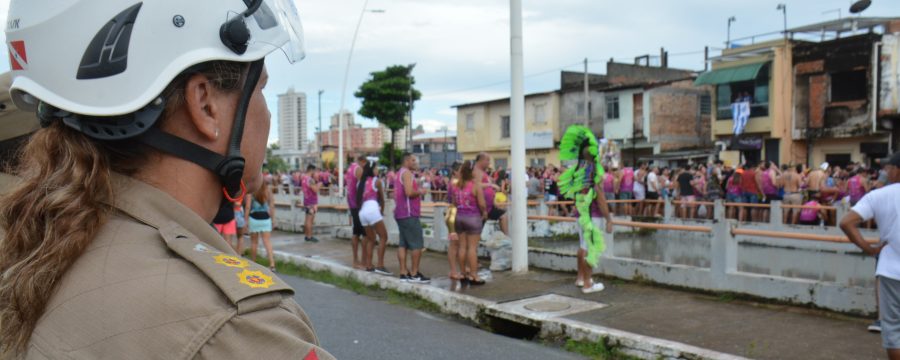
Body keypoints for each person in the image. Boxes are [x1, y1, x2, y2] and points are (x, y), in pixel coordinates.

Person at [0, 0, 333, 357]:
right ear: (205, 105)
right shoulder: (236, 327)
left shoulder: (40, 246)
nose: (265, 113)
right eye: (261, 88)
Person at [841, 152, 900, 358]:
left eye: (888, 168)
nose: (885, 171)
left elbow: (846, 222)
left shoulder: (879, 195)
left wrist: (870, 249)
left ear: (897, 170)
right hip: (891, 271)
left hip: (892, 271)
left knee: (893, 329)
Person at [557, 125, 613, 294]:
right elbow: (600, 196)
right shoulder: (593, 169)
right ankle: (588, 283)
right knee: (590, 248)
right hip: (592, 215)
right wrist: (609, 219)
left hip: (581, 214)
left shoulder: (578, 169)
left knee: (583, 246)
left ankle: (581, 278)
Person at [395, 153, 431, 283]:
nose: (415, 162)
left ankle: (403, 272)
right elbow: (409, 193)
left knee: (403, 244)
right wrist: (420, 192)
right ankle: (415, 273)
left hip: (400, 213)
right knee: (417, 244)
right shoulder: (407, 174)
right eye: (413, 160)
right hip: (409, 213)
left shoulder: (400, 172)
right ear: (407, 161)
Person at [454, 160, 488, 285]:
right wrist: (484, 213)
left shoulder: (457, 185)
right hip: (473, 218)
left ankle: (463, 273)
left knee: (462, 247)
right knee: (472, 248)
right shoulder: (475, 185)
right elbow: (482, 204)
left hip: (459, 218)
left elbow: (454, 202)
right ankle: (474, 275)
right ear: (472, 171)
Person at [356, 161, 392, 275]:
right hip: (372, 210)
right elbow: (381, 199)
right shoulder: (377, 181)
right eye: (376, 168)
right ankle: (380, 265)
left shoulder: (360, 183)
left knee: (371, 239)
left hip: (362, 213)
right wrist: (381, 211)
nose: (377, 170)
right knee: (383, 237)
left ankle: (369, 265)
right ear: (372, 170)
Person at [475, 152, 509, 236]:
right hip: (481, 207)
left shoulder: (483, 172)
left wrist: (493, 202)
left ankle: (506, 238)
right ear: (481, 160)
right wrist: (491, 184)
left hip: (489, 206)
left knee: (503, 215)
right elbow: (475, 185)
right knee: (476, 232)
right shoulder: (476, 171)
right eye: (487, 160)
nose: (489, 163)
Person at [246, 183, 276, 270]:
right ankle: (272, 264)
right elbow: (272, 206)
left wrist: (245, 220)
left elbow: (248, 207)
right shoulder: (268, 191)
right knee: (267, 242)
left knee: (254, 242)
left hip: (254, 219)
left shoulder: (251, 192)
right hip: (265, 219)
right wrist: (273, 219)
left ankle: (253, 262)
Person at [347, 155, 366, 269]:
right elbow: (363, 186)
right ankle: (362, 261)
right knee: (364, 234)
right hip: (358, 205)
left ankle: (356, 260)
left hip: (352, 203)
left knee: (356, 232)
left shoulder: (350, 168)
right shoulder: (358, 169)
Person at [446, 161, 464, 280]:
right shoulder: (455, 183)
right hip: (454, 213)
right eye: (461, 171)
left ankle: (461, 269)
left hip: (455, 212)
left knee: (459, 243)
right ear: (455, 172)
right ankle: (453, 271)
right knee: (454, 244)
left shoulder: (456, 182)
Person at [302, 165, 321, 243]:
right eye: (315, 171)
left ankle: (307, 236)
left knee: (307, 220)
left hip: (306, 201)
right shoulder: (310, 180)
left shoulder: (303, 178)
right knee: (310, 221)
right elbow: (315, 190)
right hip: (311, 202)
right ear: (311, 170)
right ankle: (309, 237)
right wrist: (320, 184)